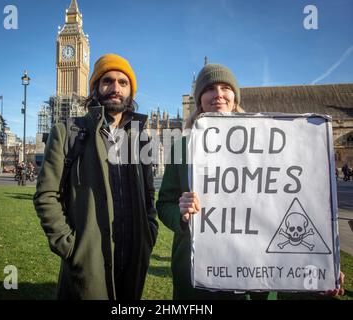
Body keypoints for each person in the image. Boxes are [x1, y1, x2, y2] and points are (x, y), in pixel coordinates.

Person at [157, 63, 344, 300]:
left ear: (234, 97)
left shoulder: (267, 146)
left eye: (225, 88)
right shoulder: (182, 148)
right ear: (199, 100)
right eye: (209, 89)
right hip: (196, 278)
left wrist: (324, 265)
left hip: (251, 279)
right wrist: (181, 216)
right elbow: (164, 205)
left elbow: (297, 204)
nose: (218, 95)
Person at [33, 53, 158, 300]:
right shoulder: (67, 132)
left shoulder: (140, 137)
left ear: (131, 91)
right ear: (95, 88)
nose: (115, 88)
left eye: (123, 83)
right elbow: (46, 195)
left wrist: (149, 233)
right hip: (88, 258)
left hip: (133, 256)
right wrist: (69, 246)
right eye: (107, 81)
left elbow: (149, 194)